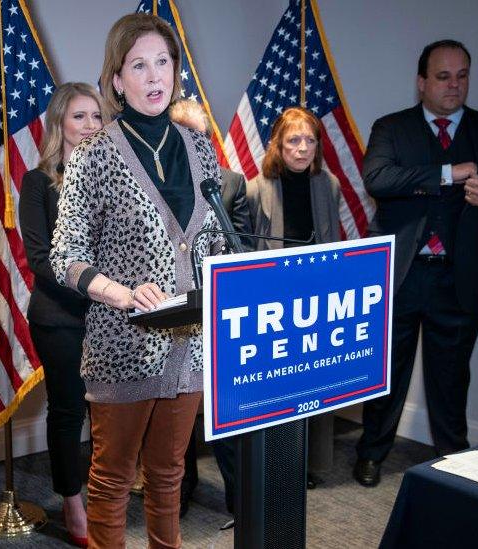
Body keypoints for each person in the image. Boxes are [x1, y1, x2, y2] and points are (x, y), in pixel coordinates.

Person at [51, 13, 225, 548]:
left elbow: (213, 237)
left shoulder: (198, 147)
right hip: (122, 345)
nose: (155, 76)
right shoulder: (93, 154)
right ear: (117, 79)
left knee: (170, 478)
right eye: (139, 65)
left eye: (164, 62)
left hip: (190, 348)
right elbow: (65, 256)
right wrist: (122, 293)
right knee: (110, 483)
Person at [354, 39, 478, 487]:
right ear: (421, 82)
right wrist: (445, 173)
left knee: (451, 378)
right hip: (401, 275)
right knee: (386, 374)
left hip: (459, 277)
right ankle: (372, 452)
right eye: (443, 76)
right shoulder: (392, 128)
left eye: (462, 75)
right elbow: (377, 177)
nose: (454, 85)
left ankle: (452, 464)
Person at [19, 82, 105, 547]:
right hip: (60, 316)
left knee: (108, 410)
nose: (90, 125)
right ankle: (72, 502)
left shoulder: (113, 179)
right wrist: (101, 289)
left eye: (96, 116)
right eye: (79, 116)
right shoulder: (38, 182)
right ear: (59, 124)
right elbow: (40, 258)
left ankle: (103, 494)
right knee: (70, 410)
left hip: (111, 317)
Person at [246, 106, 342, 489]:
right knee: (275, 388)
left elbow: (332, 241)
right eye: (294, 140)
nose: (303, 149)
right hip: (272, 303)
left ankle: (305, 466)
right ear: (278, 145)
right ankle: (274, 464)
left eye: (310, 140)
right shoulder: (256, 188)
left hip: (316, 301)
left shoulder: (328, 184)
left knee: (312, 389)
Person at [167, 98, 248, 530]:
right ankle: (181, 491)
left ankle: (242, 502)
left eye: (200, 135)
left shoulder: (231, 183)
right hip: (168, 316)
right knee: (176, 414)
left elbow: (244, 248)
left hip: (218, 315)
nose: (194, 143)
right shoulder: (149, 181)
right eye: (183, 134)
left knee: (225, 415)